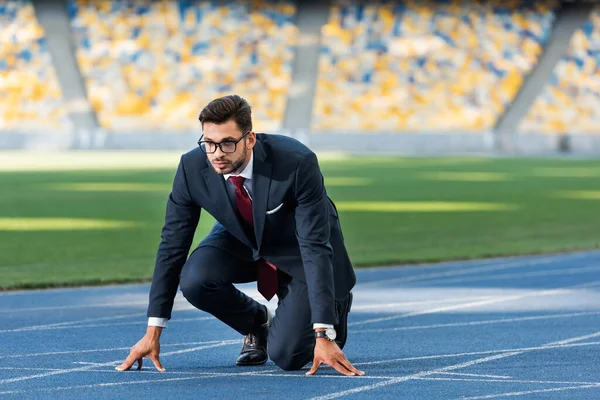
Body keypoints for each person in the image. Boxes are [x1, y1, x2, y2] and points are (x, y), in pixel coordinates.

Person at [117, 95, 364, 376]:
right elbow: (172, 245)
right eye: (209, 143)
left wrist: (323, 334)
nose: (217, 153)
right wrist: (153, 332)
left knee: (287, 356)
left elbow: (315, 246)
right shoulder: (191, 168)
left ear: (250, 139)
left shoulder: (296, 162)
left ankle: (334, 305)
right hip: (242, 236)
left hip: (299, 243)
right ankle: (257, 322)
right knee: (196, 279)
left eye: (227, 143)